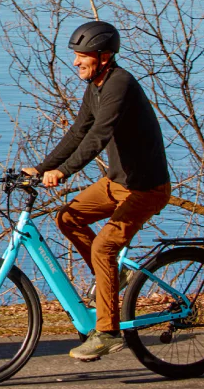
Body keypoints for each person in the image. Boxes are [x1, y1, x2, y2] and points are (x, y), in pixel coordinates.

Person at [22, 20, 171, 362]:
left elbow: (99, 135)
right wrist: (43, 167)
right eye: (75, 56)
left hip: (145, 189)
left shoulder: (120, 84)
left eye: (82, 56)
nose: (75, 62)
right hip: (117, 184)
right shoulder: (96, 85)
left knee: (104, 246)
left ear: (104, 57)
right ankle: (117, 275)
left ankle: (107, 332)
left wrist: (64, 171)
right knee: (68, 218)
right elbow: (78, 132)